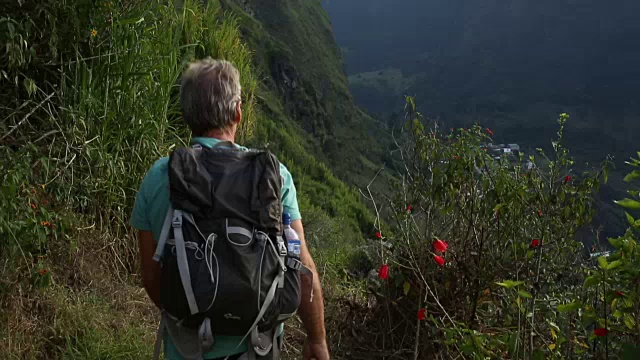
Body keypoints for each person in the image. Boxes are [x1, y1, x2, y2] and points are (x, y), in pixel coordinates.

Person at [130, 58, 329, 360]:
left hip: (188, 348)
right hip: (257, 349)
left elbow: (150, 274)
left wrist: (189, 318)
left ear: (186, 115)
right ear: (237, 112)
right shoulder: (274, 178)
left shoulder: (160, 176)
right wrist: (317, 340)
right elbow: (303, 269)